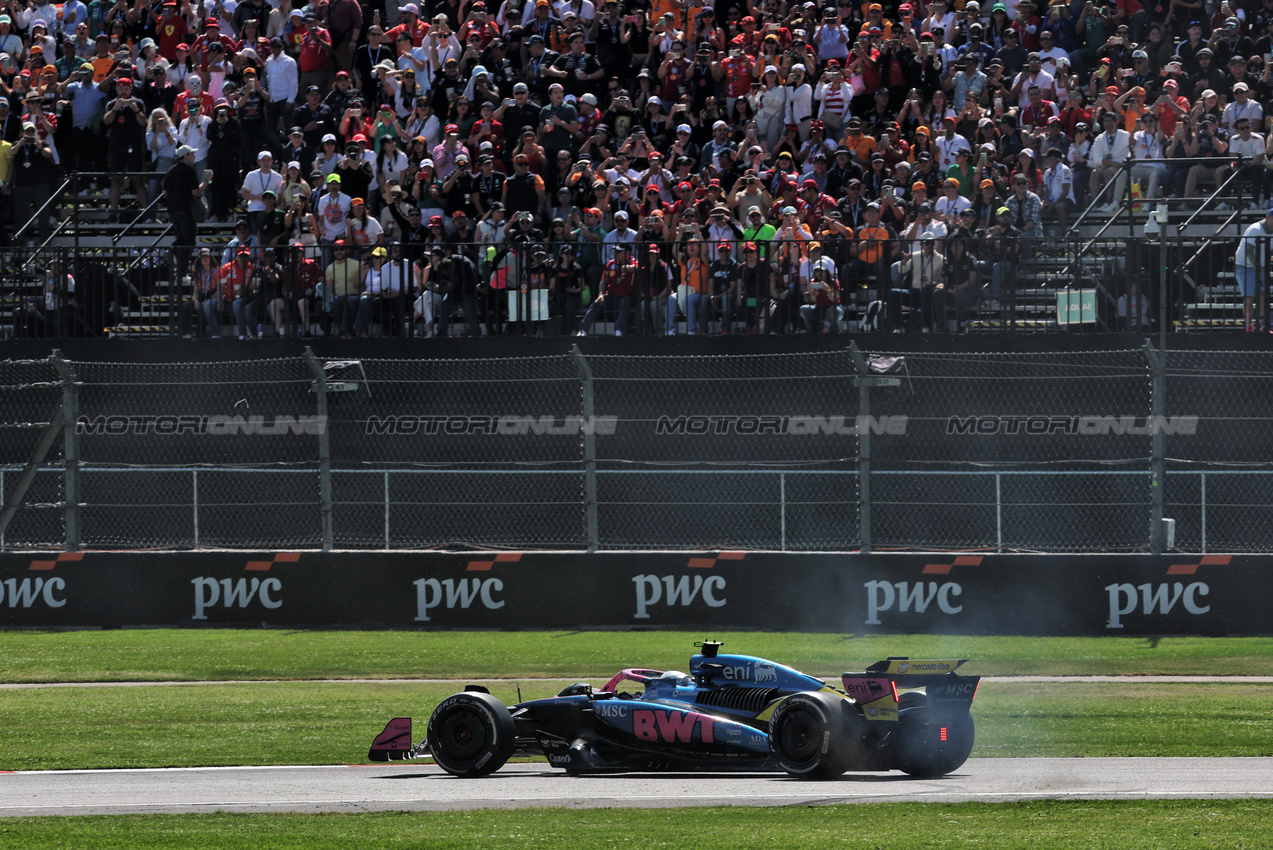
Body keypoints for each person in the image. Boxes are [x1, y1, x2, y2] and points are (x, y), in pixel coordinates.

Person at [165, 145, 212, 274]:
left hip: (172, 210)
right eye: (192, 154)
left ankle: (173, 251)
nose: (194, 156)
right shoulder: (190, 171)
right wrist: (206, 181)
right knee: (189, 242)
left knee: (181, 239)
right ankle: (182, 272)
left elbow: (164, 191)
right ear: (186, 155)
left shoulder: (170, 170)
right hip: (186, 210)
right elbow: (195, 192)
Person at [579, 242, 636, 336]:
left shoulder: (633, 262)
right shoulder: (611, 263)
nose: (616, 254)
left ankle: (618, 331)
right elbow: (603, 280)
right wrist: (600, 294)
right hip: (611, 296)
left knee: (625, 302)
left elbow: (639, 268)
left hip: (626, 297)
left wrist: (630, 268)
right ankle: (583, 331)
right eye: (616, 251)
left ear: (627, 252)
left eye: (619, 252)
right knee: (597, 302)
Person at [1235, 207, 1273, 332]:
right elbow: (1249, 252)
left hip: (1261, 265)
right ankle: (1248, 325)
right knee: (1249, 296)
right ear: (1267, 218)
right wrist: (1258, 270)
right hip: (1244, 265)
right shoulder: (1255, 229)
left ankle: (1263, 325)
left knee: (1263, 294)